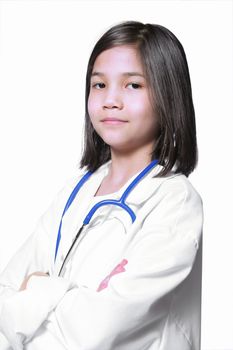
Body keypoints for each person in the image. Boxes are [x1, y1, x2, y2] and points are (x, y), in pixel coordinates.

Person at [0, 21, 203, 350]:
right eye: (99, 85)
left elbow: (94, 332)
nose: (111, 100)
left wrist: (41, 290)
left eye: (133, 85)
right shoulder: (75, 192)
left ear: (168, 94)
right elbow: (4, 300)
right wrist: (67, 300)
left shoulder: (174, 202)